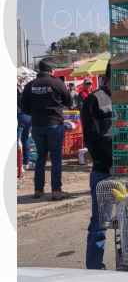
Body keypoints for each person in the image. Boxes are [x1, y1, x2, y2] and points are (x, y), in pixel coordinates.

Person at [21, 58, 71, 200]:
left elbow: (24, 107)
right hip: (54, 124)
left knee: (40, 158)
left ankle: (38, 190)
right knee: (55, 158)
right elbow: (69, 101)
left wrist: (37, 113)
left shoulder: (30, 85)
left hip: (37, 126)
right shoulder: (57, 83)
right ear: (51, 70)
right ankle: (56, 191)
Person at [81, 63, 112, 270]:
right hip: (104, 172)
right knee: (100, 224)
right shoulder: (95, 99)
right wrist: (106, 163)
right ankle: (94, 270)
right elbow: (91, 139)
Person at [17, 80, 32, 170]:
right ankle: (25, 162)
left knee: (18, 140)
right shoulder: (28, 91)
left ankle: (19, 165)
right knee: (25, 139)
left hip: (20, 116)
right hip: (28, 116)